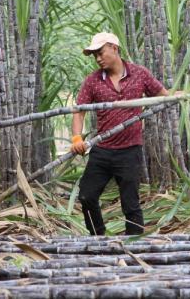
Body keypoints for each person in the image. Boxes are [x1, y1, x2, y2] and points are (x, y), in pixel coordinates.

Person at [70, 32, 171, 236]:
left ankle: (135, 246)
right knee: (87, 196)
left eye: (100, 52)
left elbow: (163, 96)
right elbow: (79, 111)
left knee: (130, 204)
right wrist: (76, 138)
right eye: (94, 55)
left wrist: (184, 95)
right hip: (102, 150)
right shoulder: (92, 81)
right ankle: (98, 238)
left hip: (130, 151)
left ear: (114, 48)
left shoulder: (139, 74)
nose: (97, 58)